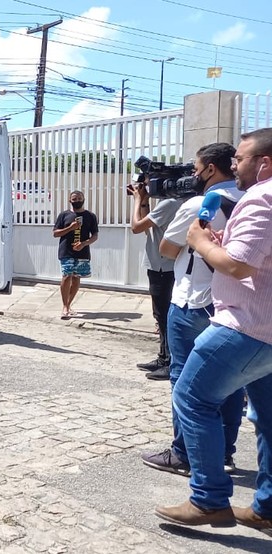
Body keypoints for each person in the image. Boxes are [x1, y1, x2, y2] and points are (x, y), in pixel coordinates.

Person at [154, 128, 272, 532]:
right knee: (267, 417)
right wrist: (221, 245)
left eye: (240, 159)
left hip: (245, 324)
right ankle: (267, 508)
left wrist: (201, 243)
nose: (234, 166)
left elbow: (238, 266)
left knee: (191, 397)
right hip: (265, 327)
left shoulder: (262, 196)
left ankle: (208, 501)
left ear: (264, 163)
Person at [140, 142, 245, 477]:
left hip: (193, 301)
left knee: (184, 378)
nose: (192, 176)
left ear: (211, 169)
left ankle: (183, 453)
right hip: (235, 304)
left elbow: (167, 249)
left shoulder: (199, 204)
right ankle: (224, 453)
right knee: (230, 383)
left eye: (196, 170)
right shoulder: (252, 200)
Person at [128, 176, 187, 379]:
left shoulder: (169, 203)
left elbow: (136, 227)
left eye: (147, 183)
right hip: (161, 265)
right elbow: (149, 229)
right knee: (160, 315)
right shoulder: (172, 202)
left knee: (164, 316)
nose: (145, 187)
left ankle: (170, 362)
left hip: (163, 267)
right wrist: (144, 202)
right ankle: (163, 357)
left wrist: (137, 200)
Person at [52, 191, 99, 318]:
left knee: (76, 277)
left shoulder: (90, 216)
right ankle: (64, 306)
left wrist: (84, 243)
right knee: (67, 275)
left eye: (79, 198)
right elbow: (55, 233)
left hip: (82, 252)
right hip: (66, 251)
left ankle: (68, 304)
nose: (77, 200)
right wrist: (70, 228)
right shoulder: (64, 215)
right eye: (74, 199)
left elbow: (95, 235)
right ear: (70, 200)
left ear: (84, 199)